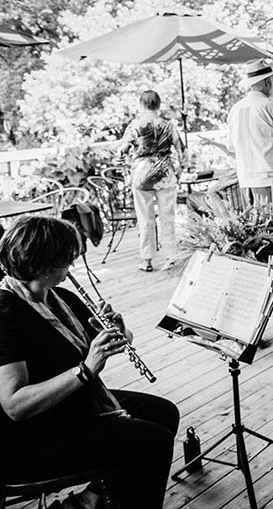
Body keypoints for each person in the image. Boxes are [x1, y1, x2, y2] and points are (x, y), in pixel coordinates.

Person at [0, 216, 179, 509]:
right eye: (66, 261)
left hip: (70, 408)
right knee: (153, 442)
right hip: (30, 438)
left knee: (163, 413)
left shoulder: (59, 296)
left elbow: (109, 342)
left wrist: (119, 331)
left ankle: (94, 498)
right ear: (41, 266)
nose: (71, 268)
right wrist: (85, 369)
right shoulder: (5, 312)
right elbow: (15, 405)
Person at [118, 89, 185, 272]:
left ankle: (147, 259)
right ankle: (171, 256)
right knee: (168, 218)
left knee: (145, 218)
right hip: (165, 175)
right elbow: (181, 152)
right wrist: (179, 172)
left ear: (141, 105)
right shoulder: (168, 125)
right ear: (159, 105)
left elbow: (121, 151)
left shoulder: (135, 125)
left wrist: (128, 167)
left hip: (141, 176)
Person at [227, 58, 273, 206]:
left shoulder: (235, 109)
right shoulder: (270, 106)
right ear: (268, 83)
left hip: (246, 179)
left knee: (257, 224)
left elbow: (231, 147)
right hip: (270, 176)